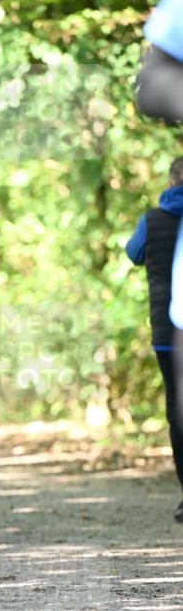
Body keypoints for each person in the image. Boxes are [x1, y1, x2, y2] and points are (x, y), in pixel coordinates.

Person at [126, 159, 183, 523]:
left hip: (168, 329)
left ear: (171, 180)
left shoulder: (153, 219)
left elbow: (134, 253)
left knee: (177, 410)